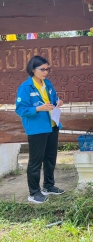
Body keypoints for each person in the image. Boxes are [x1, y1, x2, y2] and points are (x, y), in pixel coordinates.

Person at [15, 55, 65, 204]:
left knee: (50, 158)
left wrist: (58, 102)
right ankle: (34, 192)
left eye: (47, 69)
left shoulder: (47, 84)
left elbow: (54, 98)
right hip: (37, 129)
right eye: (42, 69)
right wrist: (38, 108)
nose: (46, 72)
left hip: (52, 125)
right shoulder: (25, 87)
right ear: (32, 70)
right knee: (35, 161)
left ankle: (48, 186)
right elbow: (20, 110)